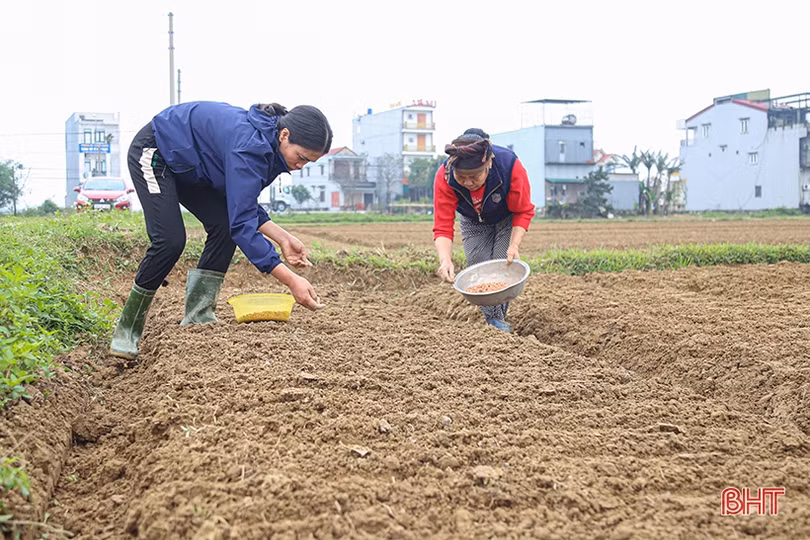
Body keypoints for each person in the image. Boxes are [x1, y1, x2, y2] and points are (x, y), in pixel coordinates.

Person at [110, 101, 331, 361]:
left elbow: (241, 204)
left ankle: (198, 317)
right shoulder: (249, 146)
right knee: (169, 241)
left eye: (309, 162)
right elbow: (243, 224)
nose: (300, 165)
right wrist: (291, 280)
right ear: (285, 136)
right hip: (157, 152)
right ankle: (127, 329)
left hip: (195, 169)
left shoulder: (271, 150)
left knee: (224, 227)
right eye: (302, 157)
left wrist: (282, 237)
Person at [432, 128, 535, 333]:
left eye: (474, 176)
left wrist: (514, 246)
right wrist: (445, 259)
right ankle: (496, 323)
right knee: (478, 264)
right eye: (462, 178)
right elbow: (443, 223)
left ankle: (496, 324)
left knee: (501, 264)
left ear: (488, 163)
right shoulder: (444, 176)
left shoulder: (508, 165)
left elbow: (523, 210)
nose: (468, 183)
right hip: (473, 219)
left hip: (507, 216)